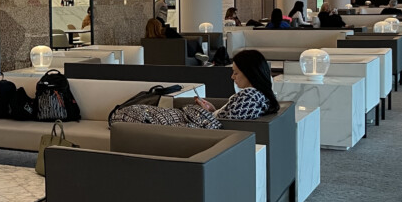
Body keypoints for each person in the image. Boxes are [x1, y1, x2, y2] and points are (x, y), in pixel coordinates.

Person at [110, 49, 279, 129]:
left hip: (194, 122)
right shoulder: (258, 97)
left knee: (135, 112)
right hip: (199, 118)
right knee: (143, 110)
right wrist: (213, 110)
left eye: (235, 73)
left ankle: (120, 117)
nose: (232, 77)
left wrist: (206, 113)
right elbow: (222, 118)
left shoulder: (248, 98)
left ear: (250, 73)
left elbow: (217, 125)